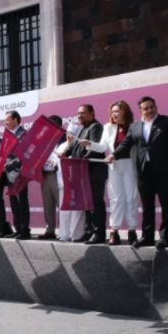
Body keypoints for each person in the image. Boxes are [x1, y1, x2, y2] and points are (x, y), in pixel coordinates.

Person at [109, 96, 168, 249]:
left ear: (156, 107)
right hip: (144, 171)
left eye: (152, 107)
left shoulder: (167, 121)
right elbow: (126, 144)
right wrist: (114, 155)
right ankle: (147, 237)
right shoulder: (134, 127)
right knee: (147, 206)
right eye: (146, 108)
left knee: (166, 205)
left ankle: (165, 237)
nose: (150, 110)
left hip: (164, 171)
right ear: (141, 110)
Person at [82, 101, 139, 245]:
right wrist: (90, 144)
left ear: (125, 111)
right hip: (114, 167)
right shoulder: (108, 127)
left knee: (131, 198)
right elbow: (102, 148)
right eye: (112, 112)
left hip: (130, 166)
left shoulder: (134, 126)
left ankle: (132, 231)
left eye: (117, 111)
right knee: (115, 199)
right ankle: (114, 231)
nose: (114, 114)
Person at [64, 105, 108, 244]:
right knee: (87, 203)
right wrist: (66, 151)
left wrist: (81, 162)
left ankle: (98, 234)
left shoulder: (95, 127)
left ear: (92, 113)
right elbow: (75, 148)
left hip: (95, 171)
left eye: (82, 113)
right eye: (78, 113)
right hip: (83, 172)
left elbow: (95, 149)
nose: (79, 116)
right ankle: (89, 232)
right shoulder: (81, 128)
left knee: (95, 203)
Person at [0, 111, 30, 240]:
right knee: (13, 202)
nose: (5, 123)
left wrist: (11, 166)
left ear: (16, 120)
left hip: (20, 173)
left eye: (7, 120)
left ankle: (24, 230)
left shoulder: (23, 134)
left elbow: (25, 154)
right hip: (9, 174)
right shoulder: (7, 135)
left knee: (22, 202)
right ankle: (17, 228)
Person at [38, 115, 65, 240]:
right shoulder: (43, 139)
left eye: (52, 124)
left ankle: (64, 230)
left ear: (59, 125)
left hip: (57, 175)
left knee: (61, 203)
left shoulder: (64, 139)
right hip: (45, 175)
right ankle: (50, 229)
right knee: (48, 204)